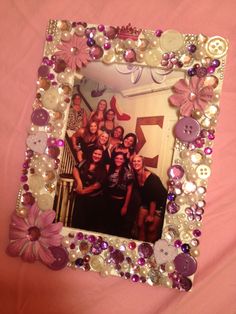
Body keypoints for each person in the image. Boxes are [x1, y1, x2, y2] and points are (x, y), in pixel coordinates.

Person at [132, 155, 167, 243]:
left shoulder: (152, 179)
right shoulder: (135, 175)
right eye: (134, 161)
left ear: (143, 163)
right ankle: (141, 248)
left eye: (138, 161)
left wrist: (151, 215)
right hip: (146, 202)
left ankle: (149, 248)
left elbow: (153, 199)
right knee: (140, 225)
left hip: (159, 204)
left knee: (151, 229)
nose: (136, 163)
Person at [72, 146, 107, 232]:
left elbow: (97, 185)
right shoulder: (84, 162)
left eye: (99, 154)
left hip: (93, 201)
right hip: (80, 198)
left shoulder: (103, 169)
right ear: (92, 153)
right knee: (77, 221)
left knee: (87, 225)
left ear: (102, 156)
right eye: (95, 153)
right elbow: (76, 169)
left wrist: (82, 192)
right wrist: (79, 181)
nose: (97, 156)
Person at [106, 152, 133, 237]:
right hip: (108, 201)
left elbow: (129, 190)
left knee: (117, 227)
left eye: (121, 159)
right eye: (117, 158)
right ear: (114, 159)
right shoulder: (110, 169)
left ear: (124, 160)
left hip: (120, 202)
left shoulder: (128, 173)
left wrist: (125, 206)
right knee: (107, 225)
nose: (118, 160)